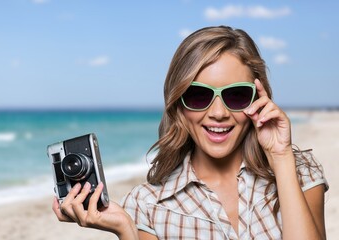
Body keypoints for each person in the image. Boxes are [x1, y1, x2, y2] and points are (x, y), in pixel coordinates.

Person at [52, 26, 328, 240]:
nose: (218, 112)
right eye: (198, 96)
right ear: (178, 103)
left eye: (236, 95)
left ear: (258, 99)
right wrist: (126, 230)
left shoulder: (298, 171)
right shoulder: (147, 204)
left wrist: (280, 157)